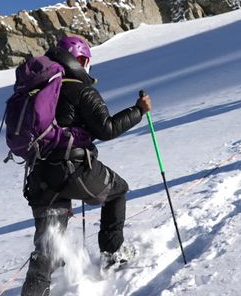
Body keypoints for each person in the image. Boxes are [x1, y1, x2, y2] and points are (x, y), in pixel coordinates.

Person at [21, 35, 151, 296]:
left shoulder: (40, 89)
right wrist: (139, 110)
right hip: (74, 170)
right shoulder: (81, 89)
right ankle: (113, 253)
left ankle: (43, 286)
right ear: (81, 60)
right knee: (117, 190)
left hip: (39, 175)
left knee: (49, 242)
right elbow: (107, 129)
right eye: (87, 61)